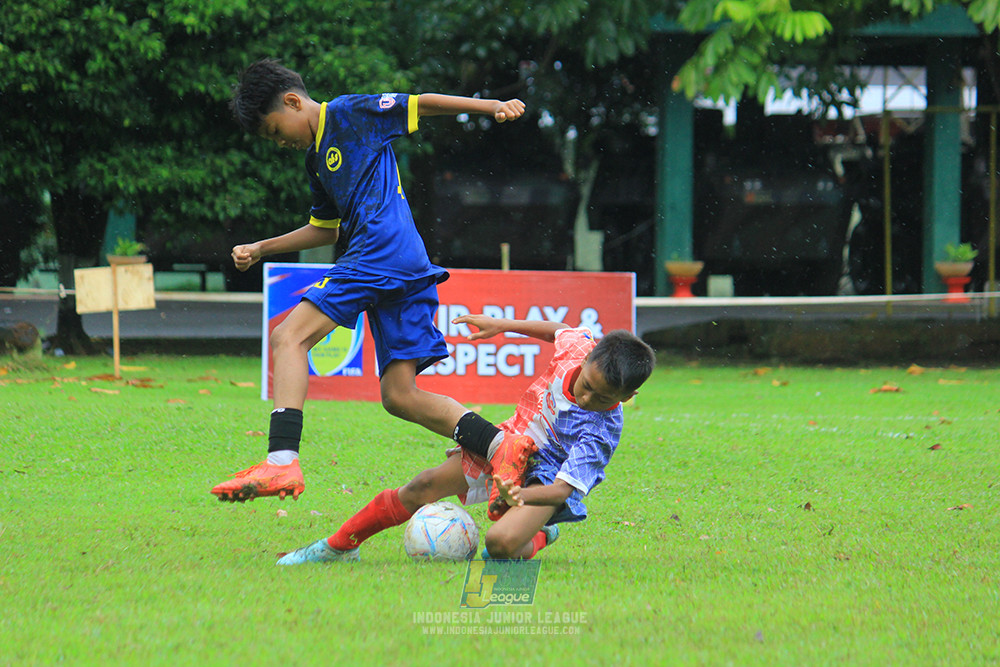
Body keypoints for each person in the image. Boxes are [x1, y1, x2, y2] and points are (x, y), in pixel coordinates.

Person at [212, 58, 533, 505]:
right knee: (399, 396)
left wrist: (489, 105)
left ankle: (281, 460)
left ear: (292, 101)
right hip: (404, 264)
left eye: (274, 129)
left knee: (289, 336)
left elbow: (422, 104)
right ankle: (503, 446)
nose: (278, 141)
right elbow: (325, 230)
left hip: (380, 253)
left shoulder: (349, 113)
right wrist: (263, 248)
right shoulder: (316, 160)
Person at [275, 313, 656, 564]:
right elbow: (557, 332)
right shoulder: (577, 347)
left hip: (545, 479)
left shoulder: (602, 431)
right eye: (588, 386)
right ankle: (338, 546)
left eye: (603, 398)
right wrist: (501, 324)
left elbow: (560, 491)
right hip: (508, 441)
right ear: (588, 357)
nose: (589, 398)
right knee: (423, 484)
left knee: (501, 545)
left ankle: (540, 533)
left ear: (626, 397)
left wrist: (517, 494)